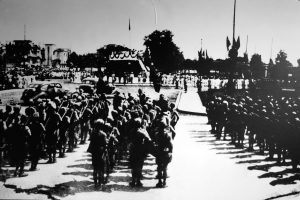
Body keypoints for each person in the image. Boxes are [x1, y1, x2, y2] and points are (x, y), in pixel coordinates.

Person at [87, 119, 108, 188]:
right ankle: (100, 183)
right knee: (101, 168)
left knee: (95, 168)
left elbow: (91, 142)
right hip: (101, 153)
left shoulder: (93, 133)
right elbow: (105, 144)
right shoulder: (103, 134)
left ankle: (95, 183)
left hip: (94, 153)